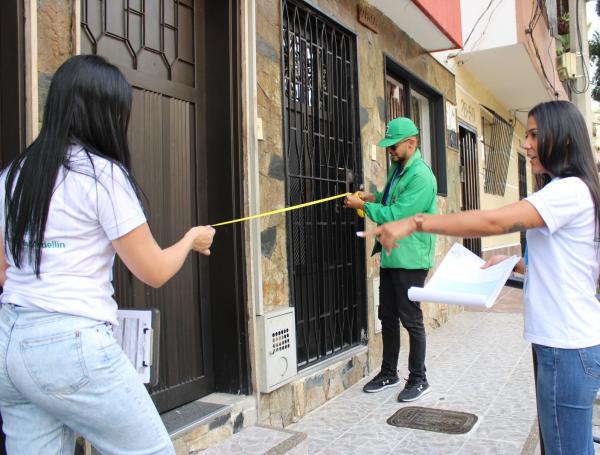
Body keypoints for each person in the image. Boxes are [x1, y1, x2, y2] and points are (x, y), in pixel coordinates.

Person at [0, 55, 215, 454]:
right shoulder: (101, 175)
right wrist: (190, 240)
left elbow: (4, 270)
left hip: (9, 342)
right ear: (103, 112)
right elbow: (152, 271)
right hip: (70, 343)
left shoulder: (12, 175)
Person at [361, 100, 600, 454]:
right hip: (562, 344)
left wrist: (416, 222)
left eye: (534, 135)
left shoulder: (568, 190)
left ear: (562, 138)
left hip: (567, 347)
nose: (526, 144)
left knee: (567, 449)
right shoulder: (569, 190)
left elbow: (495, 221)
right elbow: (573, 265)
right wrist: (517, 264)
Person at [344, 117, 437, 402]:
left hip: (411, 259)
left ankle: (419, 379)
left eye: (393, 146)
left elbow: (397, 214)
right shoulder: (400, 169)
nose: (389, 151)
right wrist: (371, 196)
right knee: (388, 316)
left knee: (411, 319)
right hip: (391, 255)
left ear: (411, 142)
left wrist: (363, 206)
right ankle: (389, 373)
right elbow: (388, 197)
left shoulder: (421, 176)